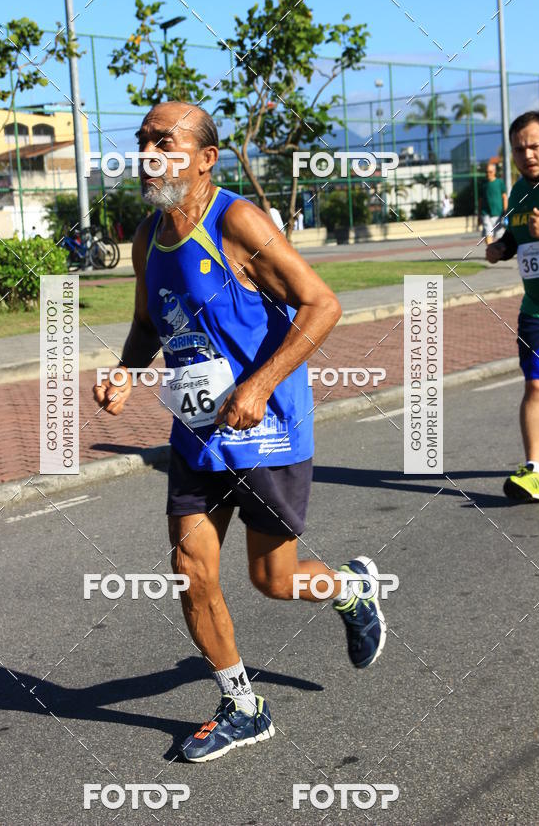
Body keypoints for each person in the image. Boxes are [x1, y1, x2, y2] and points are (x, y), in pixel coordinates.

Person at [93, 102, 387, 762]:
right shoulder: (149, 237)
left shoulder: (237, 222)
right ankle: (242, 705)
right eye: (142, 142)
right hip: (197, 431)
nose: (147, 154)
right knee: (190, 570)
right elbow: (148, 321)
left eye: (163, 142)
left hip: (268, 431)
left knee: (272, 580)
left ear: (204, 158)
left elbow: (323, 303)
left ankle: (350, 587)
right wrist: (125, 373)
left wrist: (257, 386)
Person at [486, 111, 539, 501]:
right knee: (535, 385)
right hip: (535, 311)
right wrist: (500, 248)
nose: (528, 154)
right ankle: (535, 470)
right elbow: (516, 238)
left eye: (535, 145)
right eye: (520, 148)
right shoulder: (519, 190)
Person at [479, 162, 507, 246]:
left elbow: (504, 197)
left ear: (494, 172)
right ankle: (490, 250)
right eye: (487, 172)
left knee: (499, 234)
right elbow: (480, 200)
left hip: (498, 213)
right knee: (488, 232)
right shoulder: (483, 184)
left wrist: (505, 211)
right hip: (485, 213)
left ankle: (499, 251)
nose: (488, 174)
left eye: (490, 172)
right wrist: (479, 215)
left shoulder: (499, 183)